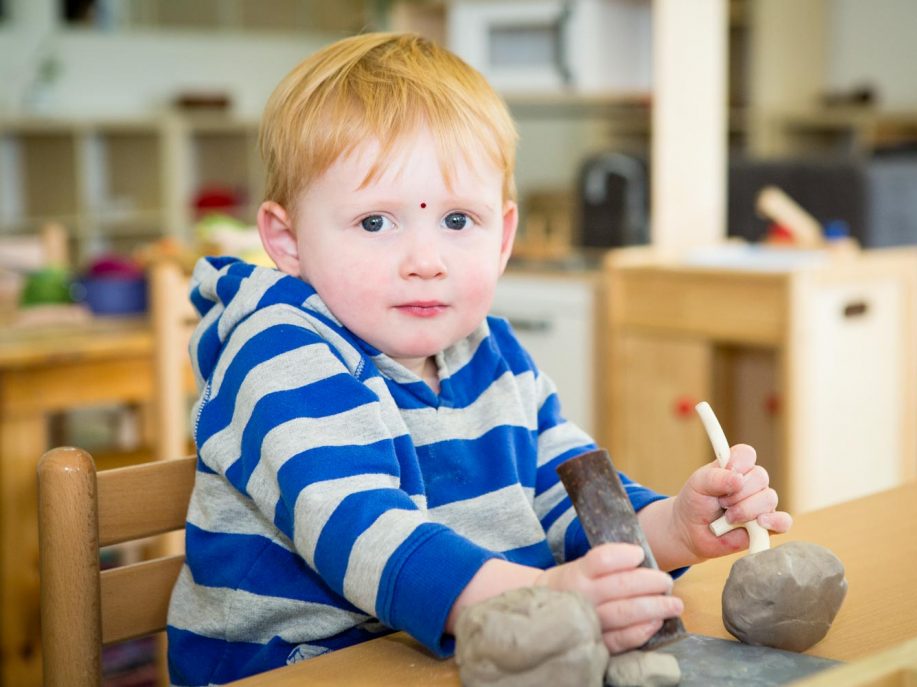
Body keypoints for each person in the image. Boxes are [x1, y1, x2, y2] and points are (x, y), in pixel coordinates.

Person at [166, 32, 792, 686]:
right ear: (287, 239)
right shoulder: (279, 346)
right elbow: (364, 533)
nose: (426, 260)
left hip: (454, 651)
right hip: (291, 667)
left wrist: (675, 528)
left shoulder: (491, 353)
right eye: (376, 222)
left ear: (504, 236)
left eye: (459, 221)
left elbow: (568, 499)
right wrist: (552, 599)